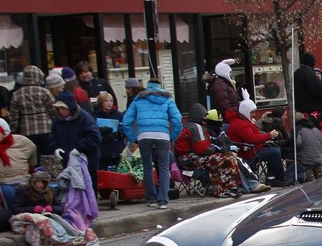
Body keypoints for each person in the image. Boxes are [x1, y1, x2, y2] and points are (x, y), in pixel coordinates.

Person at [121, 78, 183, 209]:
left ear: (147, 87)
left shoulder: (138, 99)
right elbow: (177, 120)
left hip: (144, 135)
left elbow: (126, 121)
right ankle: (163, 200)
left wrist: (134, 137)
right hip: (163, 136)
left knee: (147, 167)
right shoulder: (167, 99)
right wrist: (172, 136)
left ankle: (151, 199)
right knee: (164, 168)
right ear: (159, 86)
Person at [175, 103, 243, 198]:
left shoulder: (190, 126)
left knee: (226, 157)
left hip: (186, 161)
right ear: (199, 116)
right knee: (227, 157)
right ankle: (225, 188)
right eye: (204, 116)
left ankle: (226, 188)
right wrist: (216, 149)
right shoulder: (197, 128)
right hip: (191, 162)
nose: (206, 118)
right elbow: (202, 149)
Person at [226, 88, 290, 187]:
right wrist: (269, 136)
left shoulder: (243, 121)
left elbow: (255, 134)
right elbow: (251, 139)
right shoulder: (241, 124)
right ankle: (279, 178)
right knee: (274, 151)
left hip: (251, 149)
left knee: (275, 149)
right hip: (248, 152)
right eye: (252, 112)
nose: (254, 114)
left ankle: (271, 177)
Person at [49, 91, 102, 196]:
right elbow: (53, 136)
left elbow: (94, 137)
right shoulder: (58, 120)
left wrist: (79, 148)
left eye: (63, 108)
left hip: (87, 160)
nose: (61, 111)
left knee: (88, 185)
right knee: (73, 187)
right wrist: (56, 148)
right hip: (68, 160)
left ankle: (90, 207)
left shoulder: (84, 117)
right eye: (59, 108)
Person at [8, 65, 55, 163]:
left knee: (33, 159)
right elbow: (53, 111)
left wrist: (13, 131)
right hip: (46, 129)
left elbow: (14, 118)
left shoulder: (17, 94)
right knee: (48, 157)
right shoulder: (44, 92)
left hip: (27, 131)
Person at [94, 91, 127, 171]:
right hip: (104, 149)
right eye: (106, 101)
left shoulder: (119, 115)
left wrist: (119, 134)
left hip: (117, 148)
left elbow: (125, 129)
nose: (109, 103)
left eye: (111, 101)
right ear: (101, 103)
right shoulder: (96, 116)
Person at [293, 52, 322, 119]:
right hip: (311, 110)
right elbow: (317, 91)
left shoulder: (296, 73)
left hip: (299, 108)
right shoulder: (310, 74)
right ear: (312, 62)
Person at [293, 112, 322, 182]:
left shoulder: (297, 129)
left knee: (289, 174)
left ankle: (305, 174)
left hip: (305, 161)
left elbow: (298, 144)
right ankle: (315, 170)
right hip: (319, 159)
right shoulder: (316, 129)